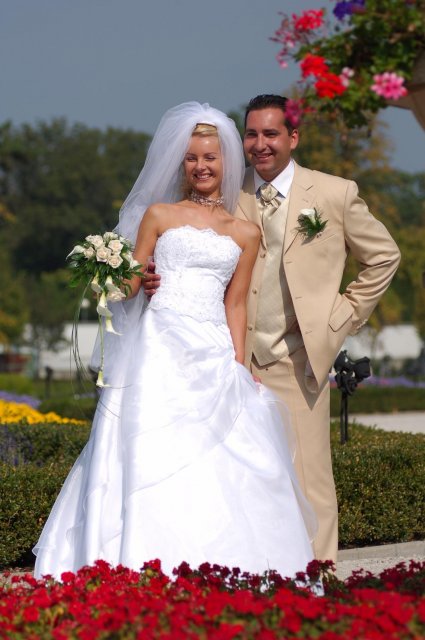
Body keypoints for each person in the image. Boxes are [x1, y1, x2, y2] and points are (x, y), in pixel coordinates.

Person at [33, 102, 317, 581]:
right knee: (149, 449)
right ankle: (140, 560)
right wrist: (116, 277)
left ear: (227, 162)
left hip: (213, 351)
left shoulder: (246, 233)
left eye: (210, 157)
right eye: (191, 158)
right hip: (159, 348)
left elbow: (236, 305)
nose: (201, 166)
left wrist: (237, 364)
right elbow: (131, 284)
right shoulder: (159, 215)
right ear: (180, 163)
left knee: (224, 459)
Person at [143, 95, 401, 565]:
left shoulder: (334, 193)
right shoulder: (226, 190)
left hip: (298, 359)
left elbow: (384, 257)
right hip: (229, 359)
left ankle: (319, 582)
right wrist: (151, 278)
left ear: (293, 137)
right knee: (236, 480)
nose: (260, 144)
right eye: (251, 134)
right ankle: (253, 579)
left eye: (271, 134)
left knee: (310, 481)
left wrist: (340, 318)